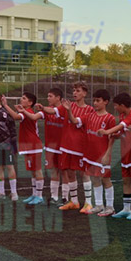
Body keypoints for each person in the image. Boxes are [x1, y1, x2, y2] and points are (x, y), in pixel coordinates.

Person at [41, 81, 94, 211]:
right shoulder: (68, 106)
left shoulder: (89, 110)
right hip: (66, 146)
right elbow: (53, 111)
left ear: (85, 93)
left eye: (78, 91)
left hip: (80, 147)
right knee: (70, 172)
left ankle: (88, 202)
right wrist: (43, 108)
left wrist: (69, 111)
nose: (75, 93)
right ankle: (74, 201)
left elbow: (75, 121)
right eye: (74, 90)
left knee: (84, 173)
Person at [99, 92, 131, 220]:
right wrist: (115, 135)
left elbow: (121, 126)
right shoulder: (122, 115)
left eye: (116, 105)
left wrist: (107, 131)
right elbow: (122, 131)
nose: (115, 108)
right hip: (125, 153)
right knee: (126, 180)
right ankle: (126, 209)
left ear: (122, 105)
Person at [4, 92, 45, 205]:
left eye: (24, 98)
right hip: (28, 146)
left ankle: (40, 196)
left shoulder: (29, 112)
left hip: (34, 145)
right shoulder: (25, 112)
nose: (21, 100)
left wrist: (5, 105)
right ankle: (34, 194)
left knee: (37, 170)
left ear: (30, 102)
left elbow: (16, 117)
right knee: (32, 171)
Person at [80, 89, 116, 216]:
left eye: (98, 100)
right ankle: (99, 205)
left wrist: (107, 154)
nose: (95, 103)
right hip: (90, 154)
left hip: (102, 155)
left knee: (105, 179)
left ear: (105, 102)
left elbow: (112, 138)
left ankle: (110, 207)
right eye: (94, 100)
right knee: (94, 178)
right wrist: (68, 110)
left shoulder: (110, 118)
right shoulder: (90, 115)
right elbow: (75, 121)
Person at [35, 88, 65, 204]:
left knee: (65, 172)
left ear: (58, 98)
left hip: (63, 146)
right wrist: (24, 112)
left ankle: (65, 197)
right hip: (51, 146)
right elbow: (34, 117)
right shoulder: (47, 110)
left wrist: (43, 108)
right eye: (47, 96)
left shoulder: (64, 109)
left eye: (50, 96)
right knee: (54, 170)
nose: (48, 98)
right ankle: (54, 196)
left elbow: (52, 111)